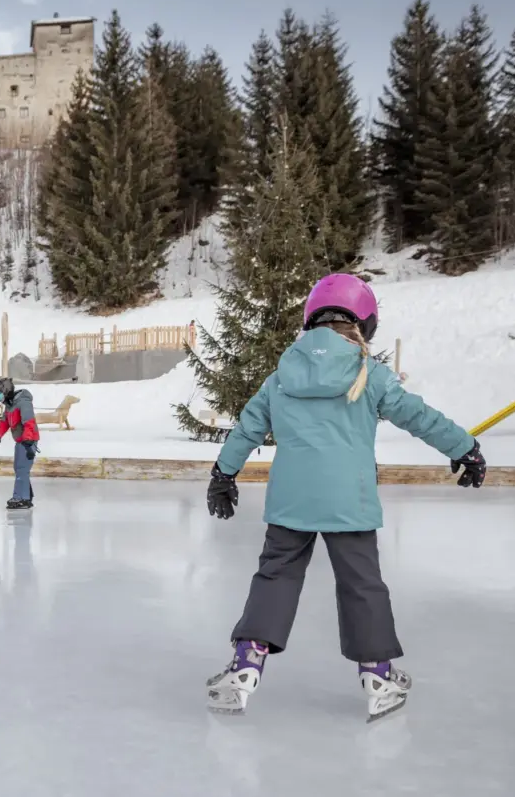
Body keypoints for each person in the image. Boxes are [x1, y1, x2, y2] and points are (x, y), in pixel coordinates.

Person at [203, 274, 487, 722]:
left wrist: (223, 474)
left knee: (274, 577)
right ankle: (378, 676)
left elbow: (248, 428)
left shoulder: (281, 376)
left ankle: (245, 666)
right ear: (365, 323)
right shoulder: (369, 374)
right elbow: (418, 416)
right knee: (362, 586)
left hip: (291, 501)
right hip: (349, 502)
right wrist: (464, 447)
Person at [0, 377, 40, 510]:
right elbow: (4, 422)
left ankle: (21, 498)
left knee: (22, 469)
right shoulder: (10, 405)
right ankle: (27, 495)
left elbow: (29, 422)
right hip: (20, 440)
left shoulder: (23, 402)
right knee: (19, 468)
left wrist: (28, 441)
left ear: (7, 392)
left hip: (28, 440)